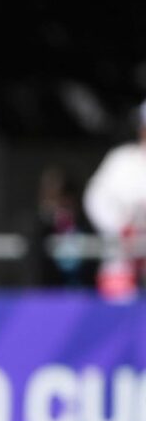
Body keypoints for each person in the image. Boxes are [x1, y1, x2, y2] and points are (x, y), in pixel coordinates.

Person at [83, 98, 146, 302]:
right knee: (119, 319)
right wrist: (120, 226)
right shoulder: (122, 160)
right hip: (123, 261)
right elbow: (95, 199)